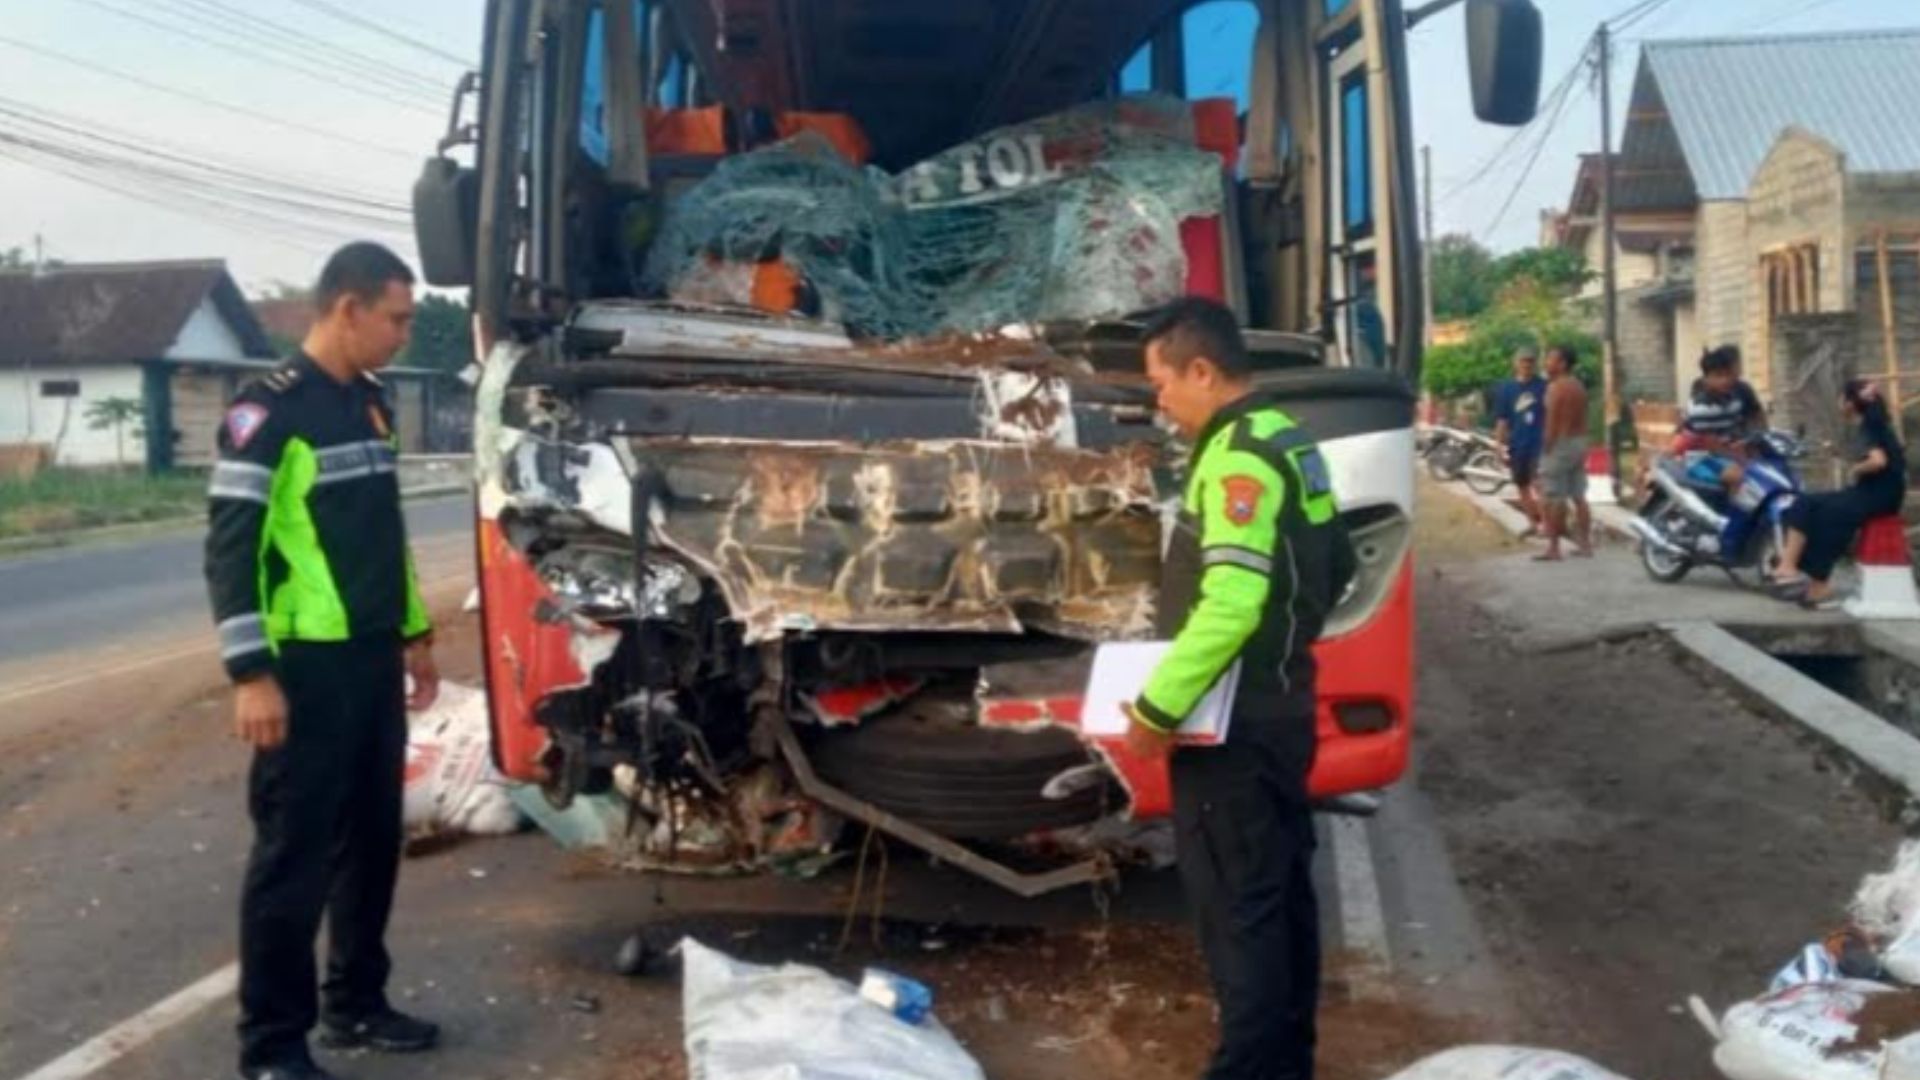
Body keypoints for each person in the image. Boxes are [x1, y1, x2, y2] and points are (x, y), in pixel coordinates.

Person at [205, 242, 442, 1080]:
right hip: (302, 673)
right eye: (398, 318)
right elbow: (230, 552)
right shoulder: (268, 414)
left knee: (373, 845)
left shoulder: (369, 405)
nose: (404, 335)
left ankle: (356, 1005)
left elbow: (382, 536)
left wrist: (415, 635)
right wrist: (250, 674)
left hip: (371, 665)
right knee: (293, 860)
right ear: (347, 308)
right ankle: (271, 1048)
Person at [1122, 297, 1356, 1080]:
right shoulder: (1291, 440)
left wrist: (1157, 708)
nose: (1158, 400)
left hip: (1233, 726)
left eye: (1161, 382)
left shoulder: (1235, 459)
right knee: (1283, 900)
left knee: (1239, 915)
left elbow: (1230, 602)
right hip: (1284, 707)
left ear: (1201, 370)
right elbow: (1342, 564)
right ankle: (1287, 1064)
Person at [1770, 379, 1906, 608]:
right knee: (1809, 505)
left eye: (1841, 397)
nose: (1838, 402)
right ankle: (1799, 572)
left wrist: (1856, 469)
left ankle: (1802, 574)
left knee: (1824, 513)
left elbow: (1878, 462)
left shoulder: (1869, 427)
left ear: (1851, 403)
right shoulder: (1875, 424)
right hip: (1879, 492)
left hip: (1878, 495)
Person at [1536, 345, 1592, 561]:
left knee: (1553, 497)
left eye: (1551, 359)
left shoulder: (1555, 388)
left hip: (1560, 443)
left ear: (1562, 364)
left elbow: (1552, 423)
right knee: (1579, 496)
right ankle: (1585, 544)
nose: (1547, 363)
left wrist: (1547, 447)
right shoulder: (1578, 386)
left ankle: (1554, 547)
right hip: (1579, 442)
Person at [1491, 347, 1548, 536]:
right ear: (1515, 363)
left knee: (1539, 485)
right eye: (1523, 361)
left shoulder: (1543, 386)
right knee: (1522, 485)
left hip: (1539, 444)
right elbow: (1502, 419)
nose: (1526, 365)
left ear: (1535, 364)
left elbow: (1552, 415)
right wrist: (1498, 445)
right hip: (1517, 445)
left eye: (1530, 361)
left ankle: (1546, 525)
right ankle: (1532, 523)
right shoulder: (1506, 388)